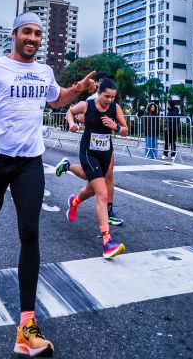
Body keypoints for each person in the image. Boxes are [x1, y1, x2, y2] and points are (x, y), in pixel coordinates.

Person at [0, 12, 96, 358]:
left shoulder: (44, 71)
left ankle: (26, 327)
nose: (33, 38)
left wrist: (76, 90)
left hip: (30, 162)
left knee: (29, 233)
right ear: (15, 35)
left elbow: (56, 98)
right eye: (27, 32)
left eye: (37, 33)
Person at [64, 78, 129, 259]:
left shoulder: (114, 108)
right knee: (102, 193)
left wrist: (115, 126)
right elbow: (70, 111)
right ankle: (107, 243)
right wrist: (72, 124)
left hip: (105, 153)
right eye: (106, 96)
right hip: (88, 152)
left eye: (112, 97)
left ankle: (74, 202)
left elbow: (125, 129)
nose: (109, 100)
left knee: (91, 187)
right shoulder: (87, 105)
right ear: (99, 93)